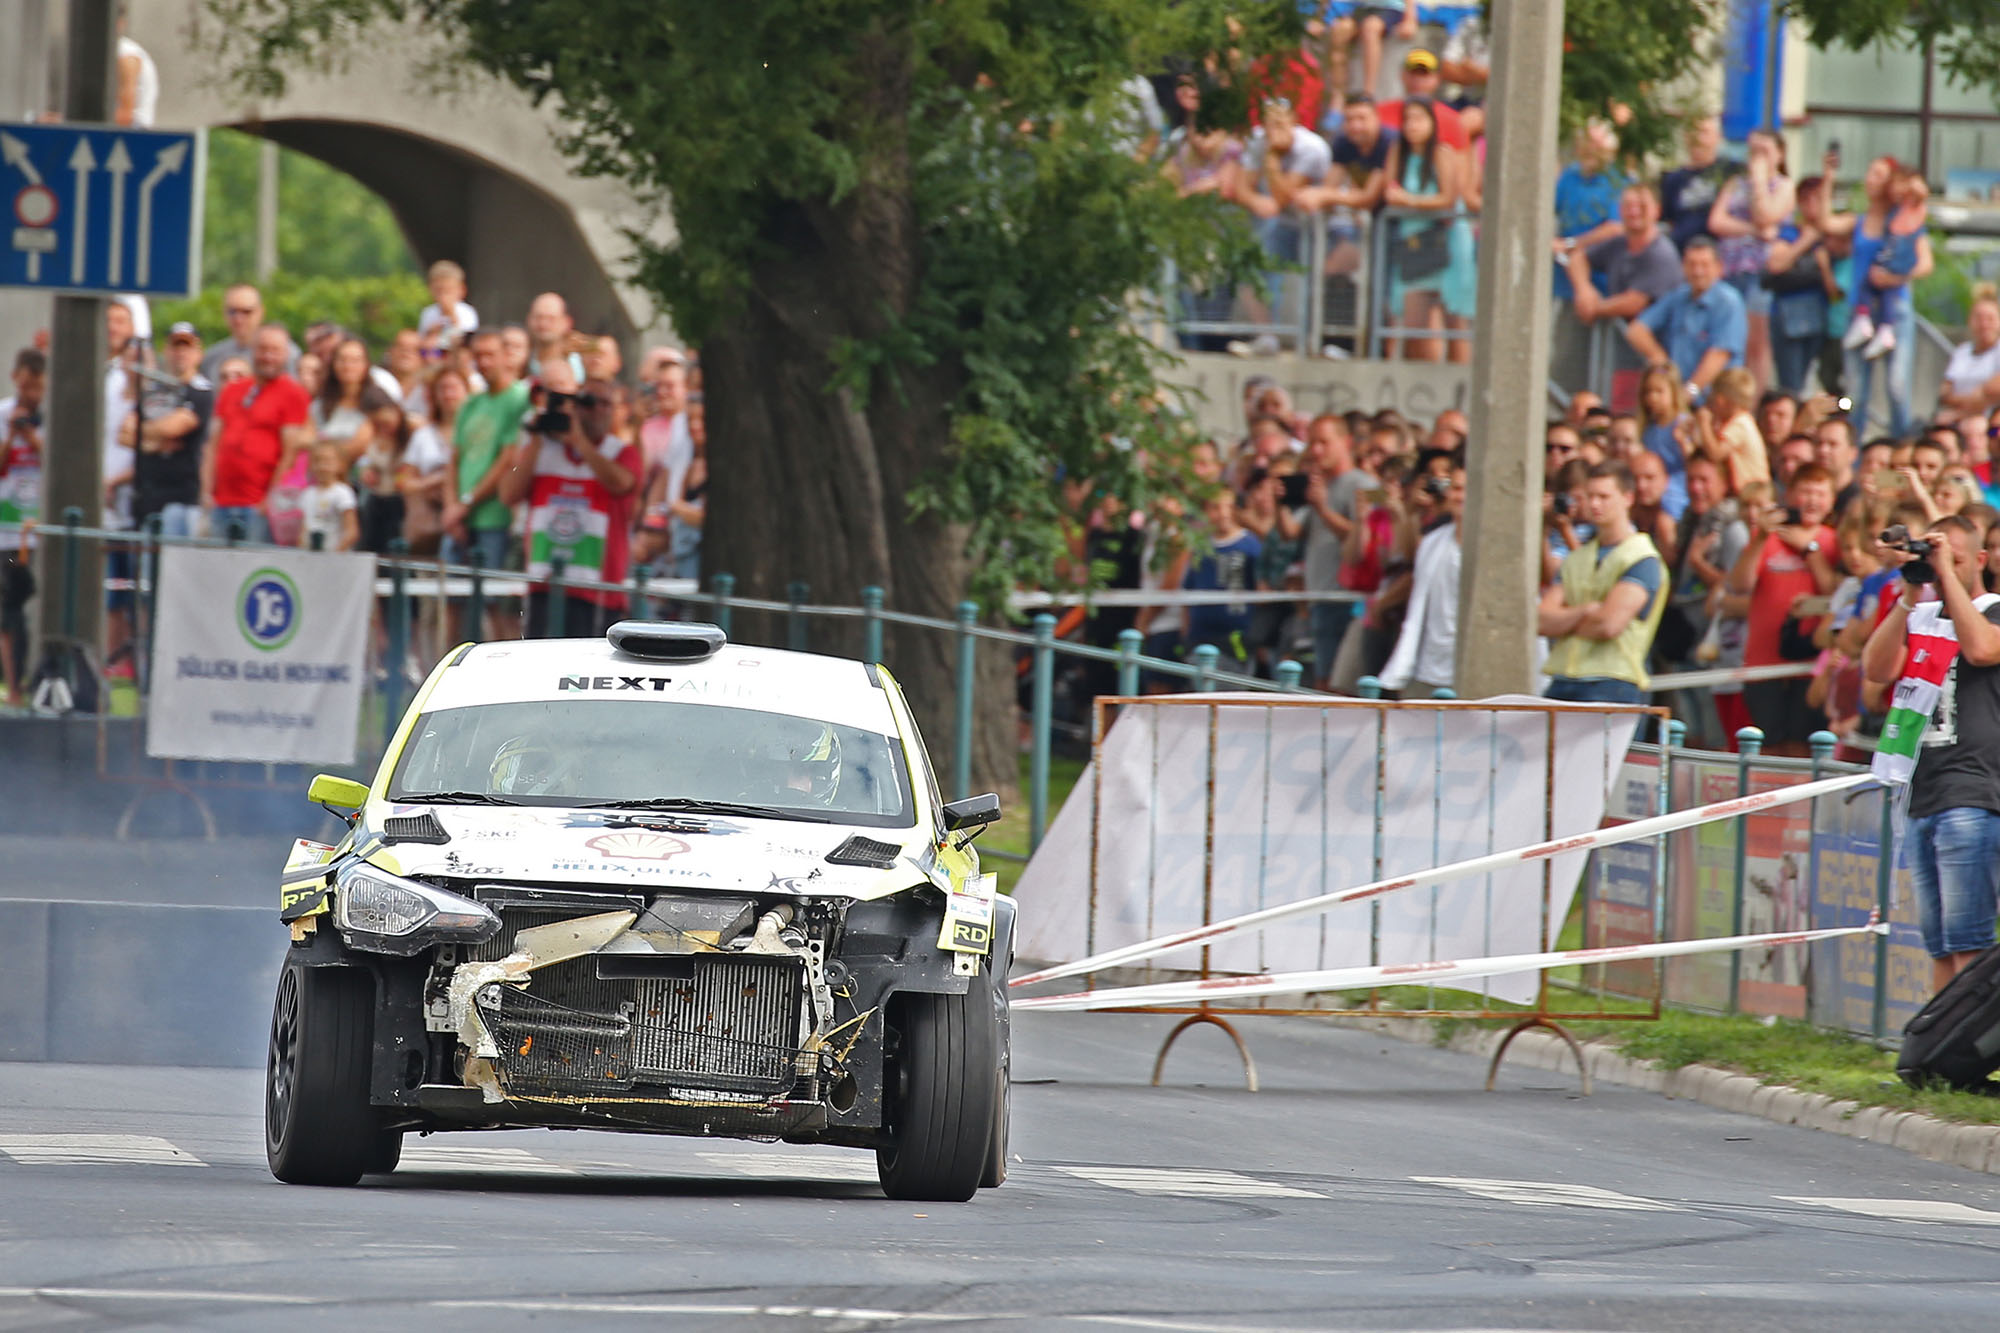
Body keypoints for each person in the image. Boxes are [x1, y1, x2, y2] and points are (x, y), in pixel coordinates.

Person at [1863, 514, 2000, 991]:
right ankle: (1943, 1054)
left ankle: (1973, 1053)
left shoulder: (1995, 611)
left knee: (1969, 941)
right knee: (1939, 944)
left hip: (1972, 791)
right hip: (1921, 791)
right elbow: (1876, 668)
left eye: (1957, 560)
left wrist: (1948, 575)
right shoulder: (1921, 616)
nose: (1945, 569)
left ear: (1981, 561)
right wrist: (1907, 594)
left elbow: (1981, 649)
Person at [497, 373, 638, 638]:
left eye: (605, 403)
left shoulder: (621, 452)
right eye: (588, 402)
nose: (596, 410)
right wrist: (536, 439)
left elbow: (621, 483)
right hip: (546, 582)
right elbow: (507, 494)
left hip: (598, 587)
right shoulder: (542, 450)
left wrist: (579, 442)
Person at [1724, 463, 1841, 755]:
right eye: (1806, 492)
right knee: (1766, 747)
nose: (1812, 500)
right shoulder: (1768, 537)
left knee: (1804, 747)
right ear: (1790, 495)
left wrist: (1809, 550)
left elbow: (1838, 595)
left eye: (1820, 493)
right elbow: (1739, 584)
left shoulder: (1834, 540)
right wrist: (1761, 538)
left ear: (1832, 500)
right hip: (1764, 663)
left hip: (1812, 664)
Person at [1538, 460, 1668, 704]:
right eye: (1589, 496)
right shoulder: (1577, 557)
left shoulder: (1642, 557)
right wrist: (1585, 612)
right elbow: (1540, 620)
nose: (1594, 504)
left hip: (1614, 682)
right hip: (1564, 678)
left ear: (1628, 498)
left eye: (1604, 496)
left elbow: (1609, 624)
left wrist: (1564, 621)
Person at [1227, 98, 1331, 357]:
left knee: (1317, 276)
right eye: (1270, 124)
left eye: (1281, 124)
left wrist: (1272, 160)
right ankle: (1266, 337)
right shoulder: (1256, 141)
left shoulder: (1311, 148)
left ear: (1294, 122)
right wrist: (1255, 200)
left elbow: (1284, 195)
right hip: (1284, 223)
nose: (1274, 131)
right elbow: (1241, 187)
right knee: (1251, 267)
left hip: (1320, 225)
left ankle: (1311, 340)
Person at [1381, 98, 1473, 363]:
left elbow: (1447, 199)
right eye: (1408, 119)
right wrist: (1407, 201)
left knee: (1454, 320)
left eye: (1419, 119)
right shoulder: (1398, 151)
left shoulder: (1441, 153)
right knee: (1414, 323)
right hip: (1413, 244)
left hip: (1448, 243)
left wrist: (1410, 201)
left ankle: (1460, 384)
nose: (1412, 126)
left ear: (1432, 123)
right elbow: (1390, 192)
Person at [204, 324, 311, 546]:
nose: (268, 356)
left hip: (257, 504)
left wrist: (269, 500)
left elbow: (289, 453)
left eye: (275, 350)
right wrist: (206, 491)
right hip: (221, 501)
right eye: (263, 349)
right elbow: (213, 444)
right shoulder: (233, 390)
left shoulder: (293, 393)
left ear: (286, 354)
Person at [1707, 128, 1795, 390]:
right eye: (1753, 151)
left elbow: (1766, 215)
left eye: (1764, 152)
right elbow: (1717, 221)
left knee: (1755, 338)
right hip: (1729, 267)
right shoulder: (1735, 184)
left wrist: (1759, 180)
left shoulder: (1784, 186)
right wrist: (1753, 231)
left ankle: (1752, 399)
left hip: (1759, 271)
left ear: (1779, 155)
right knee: (1726, 333)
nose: (1757, 158)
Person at [1293, 413, 1374, 686]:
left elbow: (1368, 539)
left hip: (1345, 600)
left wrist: (1323, 509)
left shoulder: (1364, 484)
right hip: (1320, 598)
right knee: (1322, 680)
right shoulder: (1320, 486)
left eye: (1324, 442)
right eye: (1312, 443)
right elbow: (1294, 534)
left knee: (1335, 687)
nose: (1316, 450)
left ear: (1346, 442)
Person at [443, 329, 528, 575]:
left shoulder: (518, 399)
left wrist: (464, 504)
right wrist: (452, 508)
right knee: (450, 598)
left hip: (494, 518)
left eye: (490, 355)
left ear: (506, 356)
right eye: (478, 356)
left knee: (493, 599)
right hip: (459, 518)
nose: (484, 362)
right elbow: (454, 460)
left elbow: (507, 460)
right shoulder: (470, 404)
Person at [1379, 461, 1465, 696]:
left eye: (1468, 489)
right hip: (1428, 670)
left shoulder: (1494, 549)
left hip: (1470, 670)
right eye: (1456, 488)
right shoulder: (1431, 542)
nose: (1461, 496)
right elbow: (1417, 607)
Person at [1623, 238, 1747, 400]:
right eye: (1692, 264)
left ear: (1719, 268)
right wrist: (1662, 361)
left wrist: (1690, 391)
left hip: (1715, 400)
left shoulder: (1728, 301)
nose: (1698, 271)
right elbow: (1636, 331)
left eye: (1704, 265)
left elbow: (1719, 355)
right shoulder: (1678, 296)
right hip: (1678, 397)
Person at [131, 322, 214, 540]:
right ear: (166, 351)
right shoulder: (153, 390)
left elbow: (175, 427)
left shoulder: (201, 390)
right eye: (176, 347)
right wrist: (154, 441)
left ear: (198, 353)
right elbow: (125, 431)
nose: (181, 353)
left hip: (183, 497)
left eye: (187, 347)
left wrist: (146, 433)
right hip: (148, 495)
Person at [1562, 184, 1682, 328]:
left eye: (1642, 206)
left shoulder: (1661, 253)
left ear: (1657, 210)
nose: (1634, 212)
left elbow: (1634, 303)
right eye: (1628, 206)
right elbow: (1578, 257)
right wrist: (1583, 289)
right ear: (1620, 210)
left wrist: (1594, 308)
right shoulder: (1619, 243)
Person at [1842, 162, 1928, 363]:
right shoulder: (1884, 217)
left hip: (1897, 278)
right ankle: (1868, 323)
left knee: (1897, 387)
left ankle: (1884, 329)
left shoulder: (1912, 209)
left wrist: (1896, 278)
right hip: (1873, 290)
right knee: (1869, 283)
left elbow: (1926, 263)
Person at [0, 349, 45, 706]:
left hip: (39, 530)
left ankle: (21, 683)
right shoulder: (3, 414)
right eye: (26, 386)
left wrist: (33, 437)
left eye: (38, 388)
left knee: (20, 601)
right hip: (8, 533)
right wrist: (12, 436)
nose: (31, 395)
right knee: (11, 603)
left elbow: (59, 462)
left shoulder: (50, 419)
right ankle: (14, 686)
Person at [1181, 489, 1262, 666]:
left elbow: (1261, 589)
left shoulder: (1250, 544)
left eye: (1229, 507)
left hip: (1236, 640)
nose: (1223, 514)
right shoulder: (1201, 546)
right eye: (1215, 507)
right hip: (1199, 638)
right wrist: (1186, 635)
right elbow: (1189, 590)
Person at [1551, 120, 1629, 302]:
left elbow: (1615, 228)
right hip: (1562, 277)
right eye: (1587, 142)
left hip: (1600, 277)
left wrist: (1570, 244)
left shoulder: (1617, 182)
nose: (1591, 149)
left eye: (1597, 144)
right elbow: (1549, 209)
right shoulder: (1570, 176)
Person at [1690, 367, 1769, 494]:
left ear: (1720, 400)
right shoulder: (1737, 422)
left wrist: (1704, 423)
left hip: (1753, 493)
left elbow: (1715, 454)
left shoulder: (1741, 424)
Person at [1659, 116, 1730, 251]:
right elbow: (1668, 221)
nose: (1698, 138)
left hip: (1718, 254)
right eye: (1693, 131)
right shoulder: (1673, 179)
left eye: (1704, 132)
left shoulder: (1730, 172)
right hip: (1682, 254)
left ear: (1718, 137)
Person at [199, 284, 296, 384]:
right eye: (232, 311)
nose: (238, 319)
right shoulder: (211, 358)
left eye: (246, 312)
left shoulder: (285, 354)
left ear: (261, 312)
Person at [1378, 50, 1468, 150]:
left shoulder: (1452, 120)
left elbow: (1461, 162)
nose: (1418, 80)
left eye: (1424, 74)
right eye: (1413, 73)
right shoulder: (1380, 113)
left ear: (1437, 79)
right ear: (1403, 75)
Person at [1939, 290, 2000, 419]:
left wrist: (1959, 413)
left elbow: (1994, 391)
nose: (1984, 324)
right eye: (1979, 318)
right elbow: (1945, 393)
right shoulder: (1962, 352)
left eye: (1990, 318)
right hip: (1958, 420)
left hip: (1992, 427)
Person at [298, 442, 359, 552]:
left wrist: (337, 552)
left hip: (336, 557)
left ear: (340, 464)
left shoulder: (342, 492)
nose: (322, 466)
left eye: (327, 461)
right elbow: (304, 529)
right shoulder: (307, 494)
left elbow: (351, 531)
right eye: (317, 461)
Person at [417, 259, 480, 354]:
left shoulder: (467, 312)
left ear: (461, 290)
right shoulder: (428, 313)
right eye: (439, 291)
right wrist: (431, 332)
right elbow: (421, 340)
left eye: (448, 291)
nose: (443, 296)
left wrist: (453, 316)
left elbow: (468, 341)